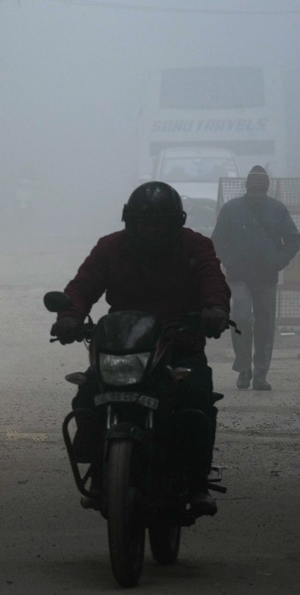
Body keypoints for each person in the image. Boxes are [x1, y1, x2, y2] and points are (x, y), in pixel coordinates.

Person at [51, 181, 230, 514]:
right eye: (145, 222)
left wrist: (215, 309)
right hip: (121, 343)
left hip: (178, 341)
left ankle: (196, 483)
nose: (152, 229)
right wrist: (69, 317)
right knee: (88, 394)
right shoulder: (110, 247)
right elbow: (83, 285)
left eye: (160, 223)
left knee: (197, 398)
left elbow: (213, 280)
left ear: (176, 222)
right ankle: (100, 470)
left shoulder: (196, 246)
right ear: (130, 221)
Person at [211, 165, 300, 391]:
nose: (257, 194)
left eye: (261, 190)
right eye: (254, 190)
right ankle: (244, 368)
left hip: (266, 276)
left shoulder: (277, 210)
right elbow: (218, 239)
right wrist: (229, 261)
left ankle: (260, 374)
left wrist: (278, 262)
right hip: (239, 276)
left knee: (265, 325)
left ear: (267, 189)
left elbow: (293, 239)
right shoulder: (232, 209)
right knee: (240, 317)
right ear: (247, 188)